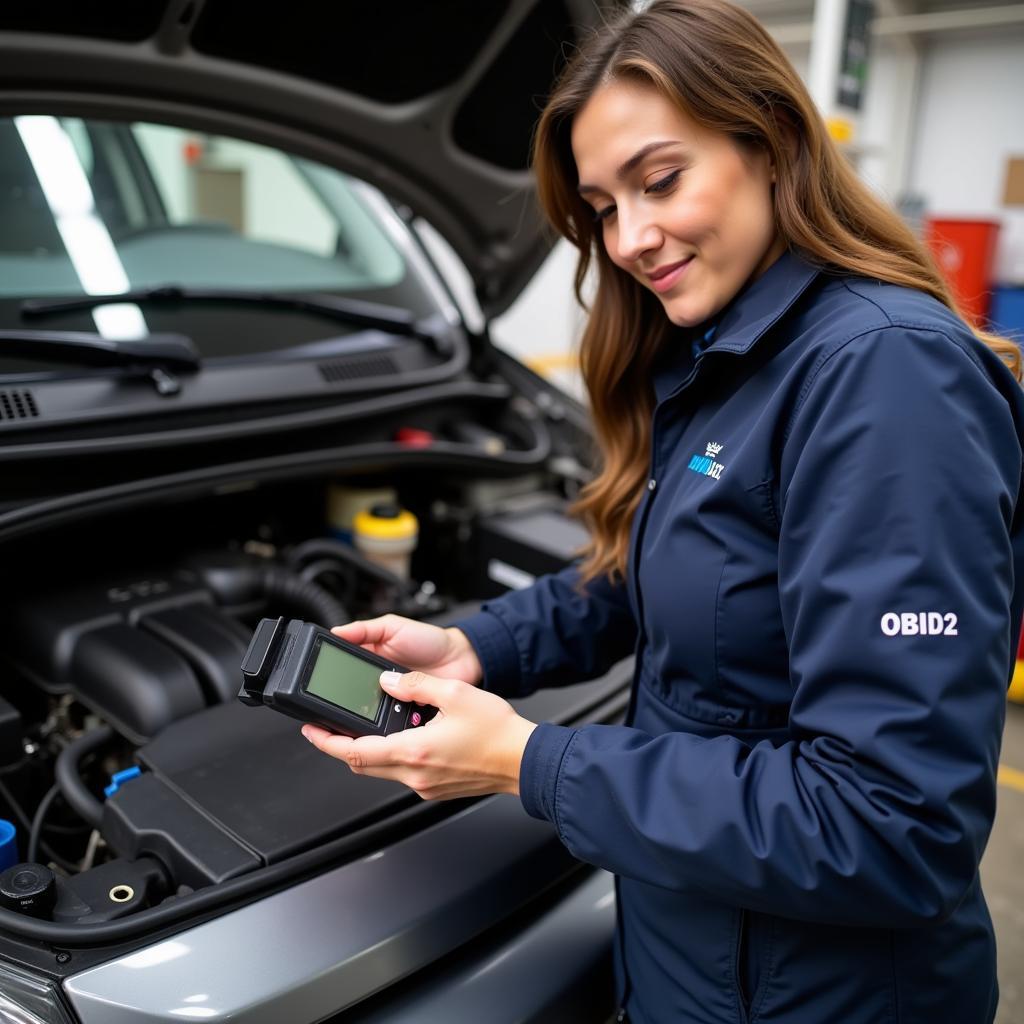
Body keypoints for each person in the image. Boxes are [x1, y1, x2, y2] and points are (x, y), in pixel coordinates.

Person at [302, 1, 1024, 1020]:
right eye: (601, 205)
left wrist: (528, 758)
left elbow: (892, 825)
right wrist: (479, 648)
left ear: (770, 142)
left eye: (661, 178)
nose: (629, 238)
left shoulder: (882, 374)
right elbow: (672, 571)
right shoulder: (726, 355)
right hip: (696, 958)